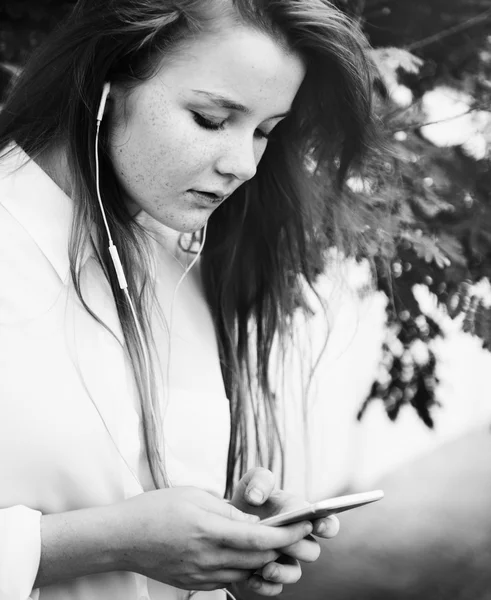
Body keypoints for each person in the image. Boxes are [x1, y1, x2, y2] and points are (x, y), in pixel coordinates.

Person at [0, 0, 377, 598]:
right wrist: (104, 543)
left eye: (263, 131)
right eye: (210, 118)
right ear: (107, 82)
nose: (244, 165)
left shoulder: (182, 258)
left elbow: (134, 487)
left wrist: (224, 536)